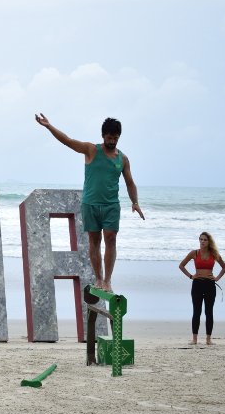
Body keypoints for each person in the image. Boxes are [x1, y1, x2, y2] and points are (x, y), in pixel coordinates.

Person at [35, 114, 144, 292]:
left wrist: (135, 202)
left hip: (111, 206)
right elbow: (68, 141)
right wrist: (49, 126)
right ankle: (99, 279)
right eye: (109, 138)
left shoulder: (122, 159)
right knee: (94, 240)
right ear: (103, 136)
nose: (112, 141)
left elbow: (130, 182)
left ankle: (108, 280)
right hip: (90, 204)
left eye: (116, 138)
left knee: (111, 238)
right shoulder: (91, 150)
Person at [178, 232, 225, 345]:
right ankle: (194, 339)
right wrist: (191, 276)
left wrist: (217, 278)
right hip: (197, 285)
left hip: (210, 285)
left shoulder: (214, 253)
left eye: (205, 239)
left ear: (209, 241)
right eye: (201, 239)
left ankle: (208, 339)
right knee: (197, 311)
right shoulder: (194, 253)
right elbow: (181, 265)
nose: (202, 241)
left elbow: (224, 267)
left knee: (209, 312)